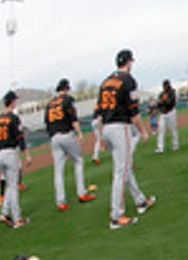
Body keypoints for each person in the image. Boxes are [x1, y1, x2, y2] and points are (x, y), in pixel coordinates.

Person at [96, 48, 156, 229]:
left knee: (125, 167)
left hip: (106, 126)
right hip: (119, 127)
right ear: (129, 62)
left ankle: (140, 200)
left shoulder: (106, 82)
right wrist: (144, 131)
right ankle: (116, 216)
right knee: (121, 172)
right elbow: (133, 112)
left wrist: (100, 137)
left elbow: (99, 113)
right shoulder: (128, 80)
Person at [45, 78, 94, 211]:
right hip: (66, 134)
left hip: (54, 137)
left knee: (58, 170)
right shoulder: (67, 100)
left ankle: (60, 201)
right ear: (66, 88)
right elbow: (73, 119)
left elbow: (47, 123)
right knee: (78, 161)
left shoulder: (49, 104)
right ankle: (82, 192)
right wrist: (80, 134)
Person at [0, 90, 32, 228]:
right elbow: (20, 138)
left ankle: (4, 212)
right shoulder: (13, 118)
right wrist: (26, 154)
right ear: (12, 102)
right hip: (10, 152)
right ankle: (17, 218)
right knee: (14, 186)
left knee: (10, 185)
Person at [155, 79, 179, 153]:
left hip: (171, 112)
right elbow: (158, 104)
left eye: (166, 85)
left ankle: (175, 145)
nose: (165, 87)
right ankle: (160, 147)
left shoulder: (172, 92)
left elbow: (169, 103)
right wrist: (161, 103)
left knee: (173, 129)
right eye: (164, 85)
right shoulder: (162, 94)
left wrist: (162, 102)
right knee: (161, 130)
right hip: (163, 113)